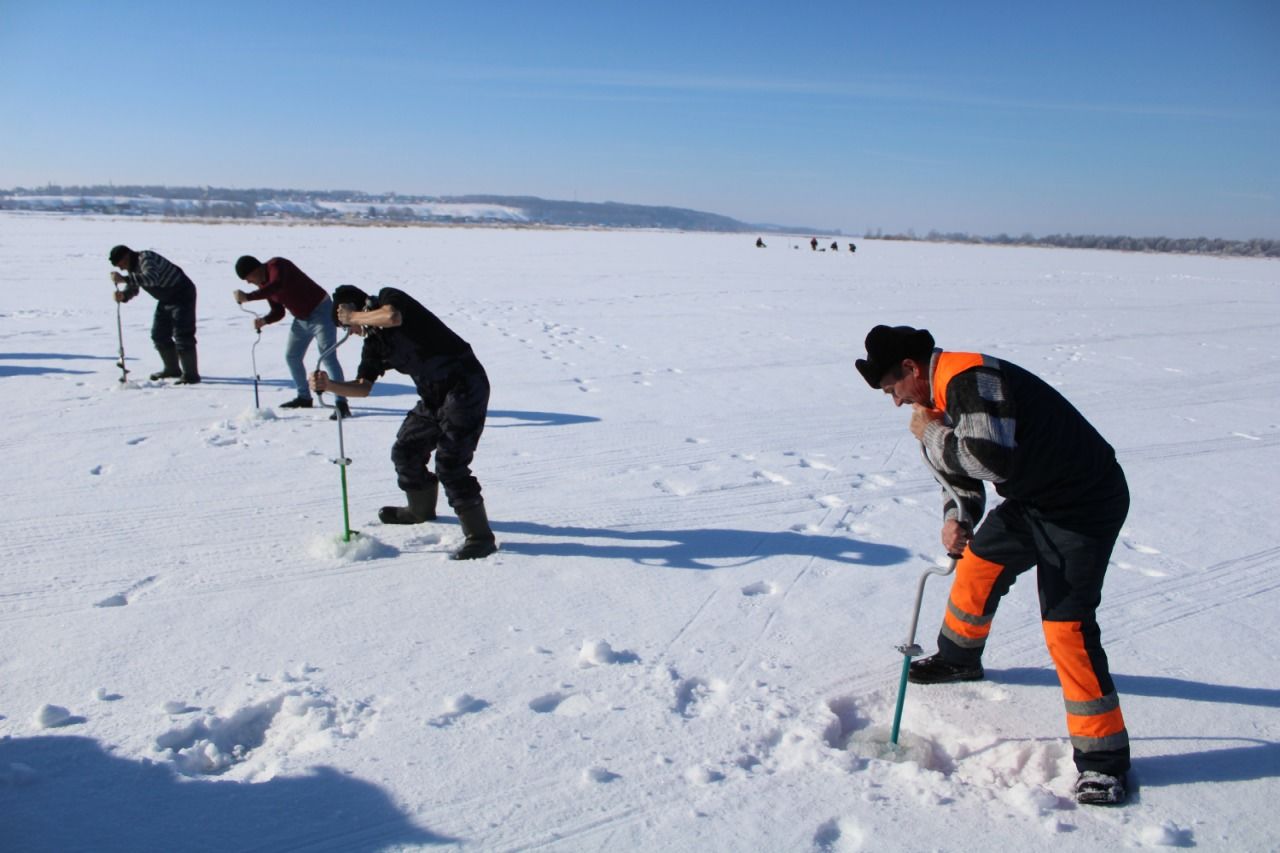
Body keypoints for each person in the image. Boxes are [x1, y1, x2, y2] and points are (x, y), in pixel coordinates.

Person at [855, 324, 1131, 806]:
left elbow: (989, 460)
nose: (895, 401)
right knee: (978, 563)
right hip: (1035, 500)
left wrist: (934, 433)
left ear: (910, 369)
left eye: (891, 389)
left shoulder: (972, 379)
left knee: (1067, 626)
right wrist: (955, 519)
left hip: (1084, 504)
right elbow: (959, 478)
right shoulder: (934, 401)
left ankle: (1102, 762)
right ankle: (958, 660)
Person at [309, 285, 497, 560]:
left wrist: (354, 318)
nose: (350, 331)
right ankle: (419, 510)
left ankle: (480, 538)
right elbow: (363, 387)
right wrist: (330, 385)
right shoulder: (375, 343)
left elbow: (392, 317)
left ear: (357, 308)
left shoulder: (389, 299)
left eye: (346, 323)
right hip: (433, 396)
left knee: (450, 463)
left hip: (465, 385)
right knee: (406, 450)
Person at [232, 255, 349, 418]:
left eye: (247, 278)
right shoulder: (264, 285)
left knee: (327, 357)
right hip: (301, 319)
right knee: (292, 356)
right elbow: (278, 311)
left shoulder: (277, 266)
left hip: (321, 312)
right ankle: (304, 397)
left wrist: (249, 297)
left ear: (255, 269)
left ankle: (341, 404)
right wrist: (264, 321)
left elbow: (277, 285)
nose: (248, 283)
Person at [108, 245, 200, 383]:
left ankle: (191, 376)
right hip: (166, 299)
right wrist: (124, 296)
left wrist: (125, 279)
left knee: (182, 335)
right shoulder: (133, 267)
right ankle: (172, 369)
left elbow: (151, 278)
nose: (121, 269)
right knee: (159, 334)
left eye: (120, 264)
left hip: (182, 294)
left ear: (126, 257)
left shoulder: (146, 258)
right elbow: (134, 286)